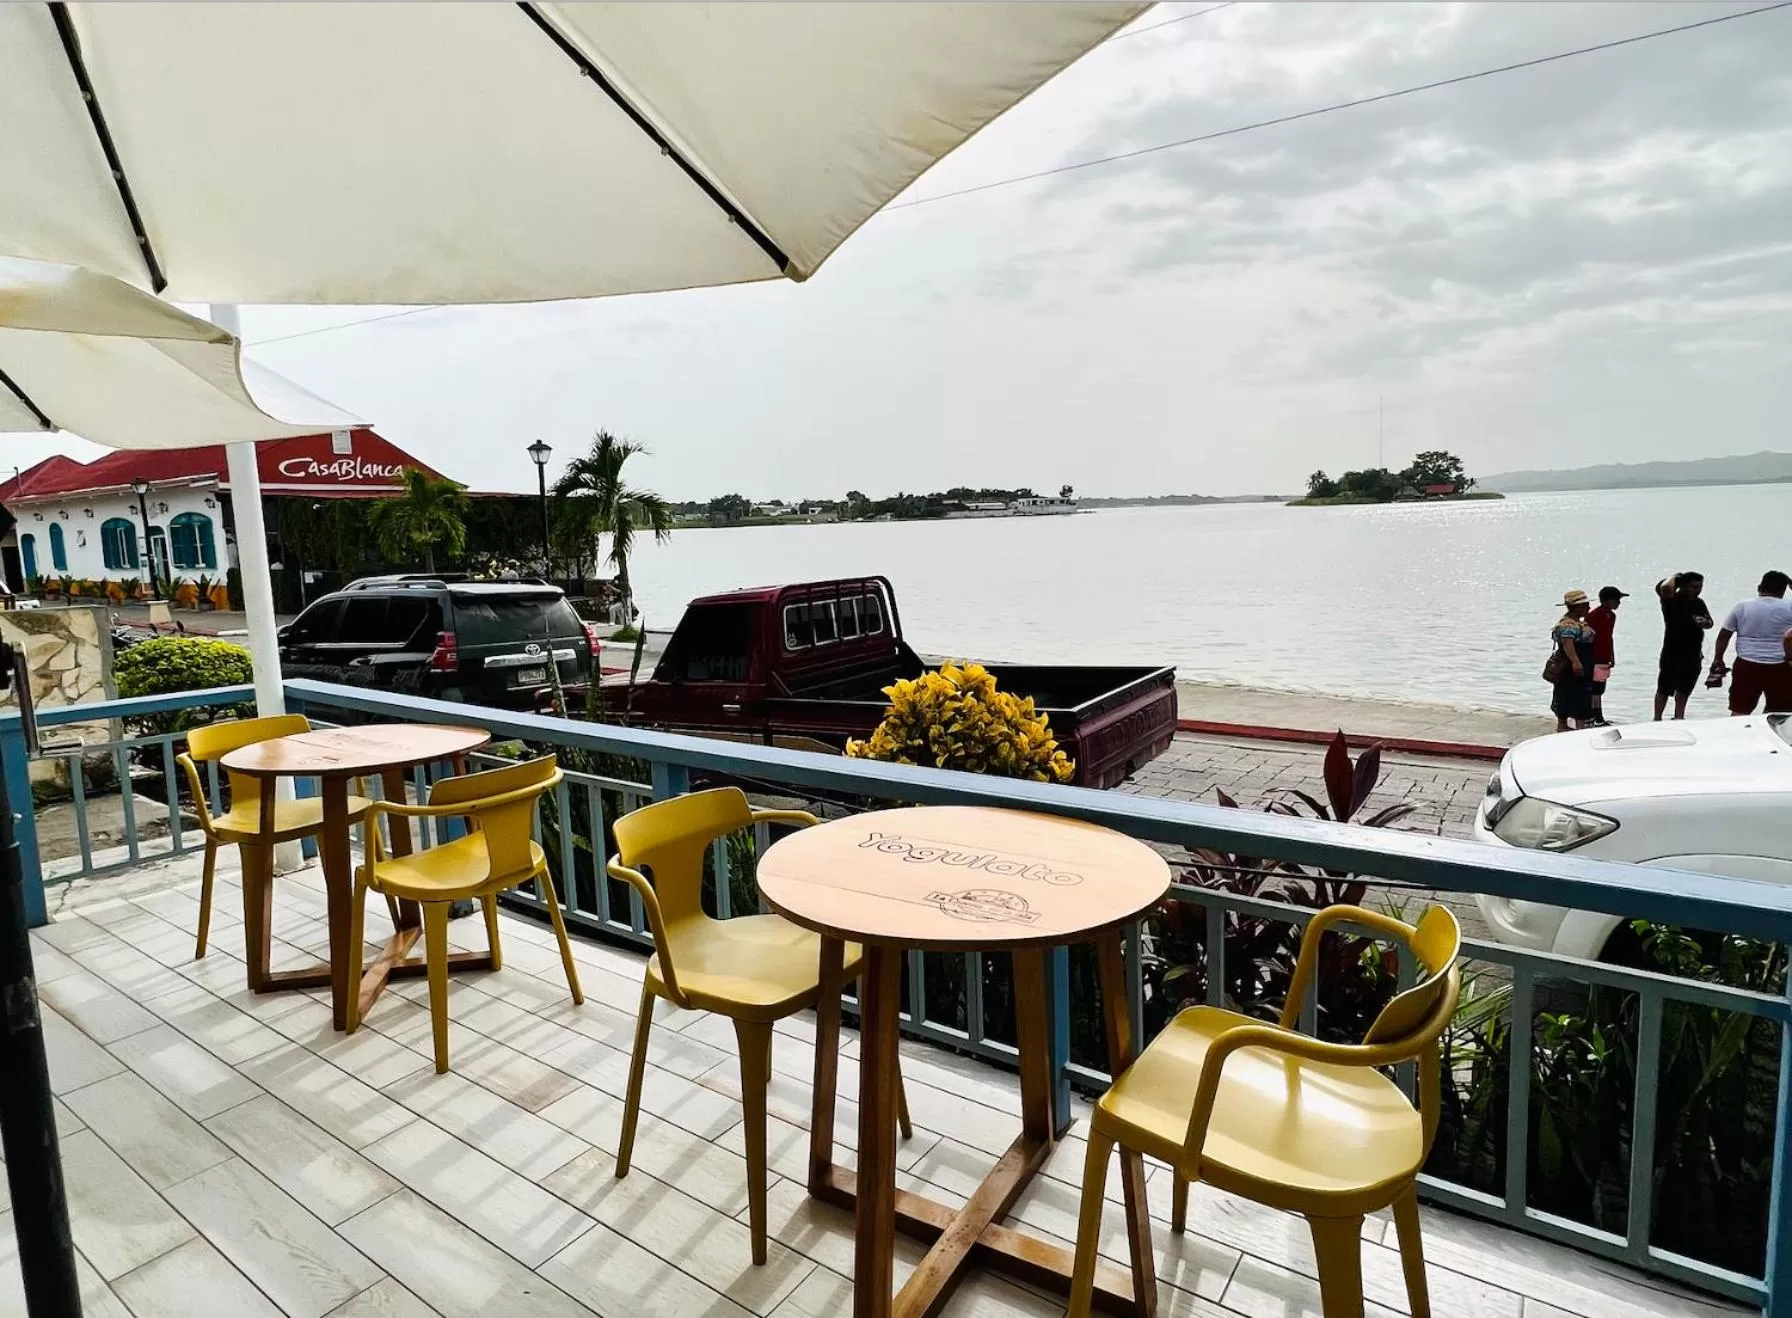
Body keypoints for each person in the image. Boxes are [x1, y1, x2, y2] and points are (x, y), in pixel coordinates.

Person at [1711, 570, 1792, 714]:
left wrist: (1718, 660)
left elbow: (1724, 635)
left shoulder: (1742, 606)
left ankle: (1738, 735)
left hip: (1746, 664)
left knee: (1740, 710)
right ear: (1783, 590)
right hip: (1781, 665)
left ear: (1759, 587)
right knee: (1779, 713)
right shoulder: (1789, 607)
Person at [1653, 572, 1712, 721]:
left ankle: (1679, 717)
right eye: (1694, 587)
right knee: (1664, 688)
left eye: (1700, 587)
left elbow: (1710, 623)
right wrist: (1676, 576)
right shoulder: (1672, 600)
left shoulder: (1699, 603)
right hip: (1672, 651)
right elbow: (1665, 587)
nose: (1698, 590)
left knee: (1685, 689)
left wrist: (1703, 622)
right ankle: (1657, 718)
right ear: (1683, 586)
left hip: (1693, 653)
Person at [1549, 589, 1597, 733]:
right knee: (1569, 692)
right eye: (1586, 605)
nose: (1588, 607)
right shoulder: (1568, 625)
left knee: (1577, 693)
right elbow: (1567, 644)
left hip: (1583, 661)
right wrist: (1576, 662)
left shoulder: (1577, 623)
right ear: (1577, 607)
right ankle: (1565, 724)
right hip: (1572, 664)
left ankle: (1574, 723)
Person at [1584, 585, 1627, 725]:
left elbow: (1609, 637)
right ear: (1606, 601)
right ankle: (1595, 717)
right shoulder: (1594, 615)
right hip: (1593, 657)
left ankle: (1597, 716)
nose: (1618, 603)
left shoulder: (1612, 616)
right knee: (1594, 689)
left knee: (1600, 688)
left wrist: (1612, 656)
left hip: (1604, 657)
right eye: (1616, 600)